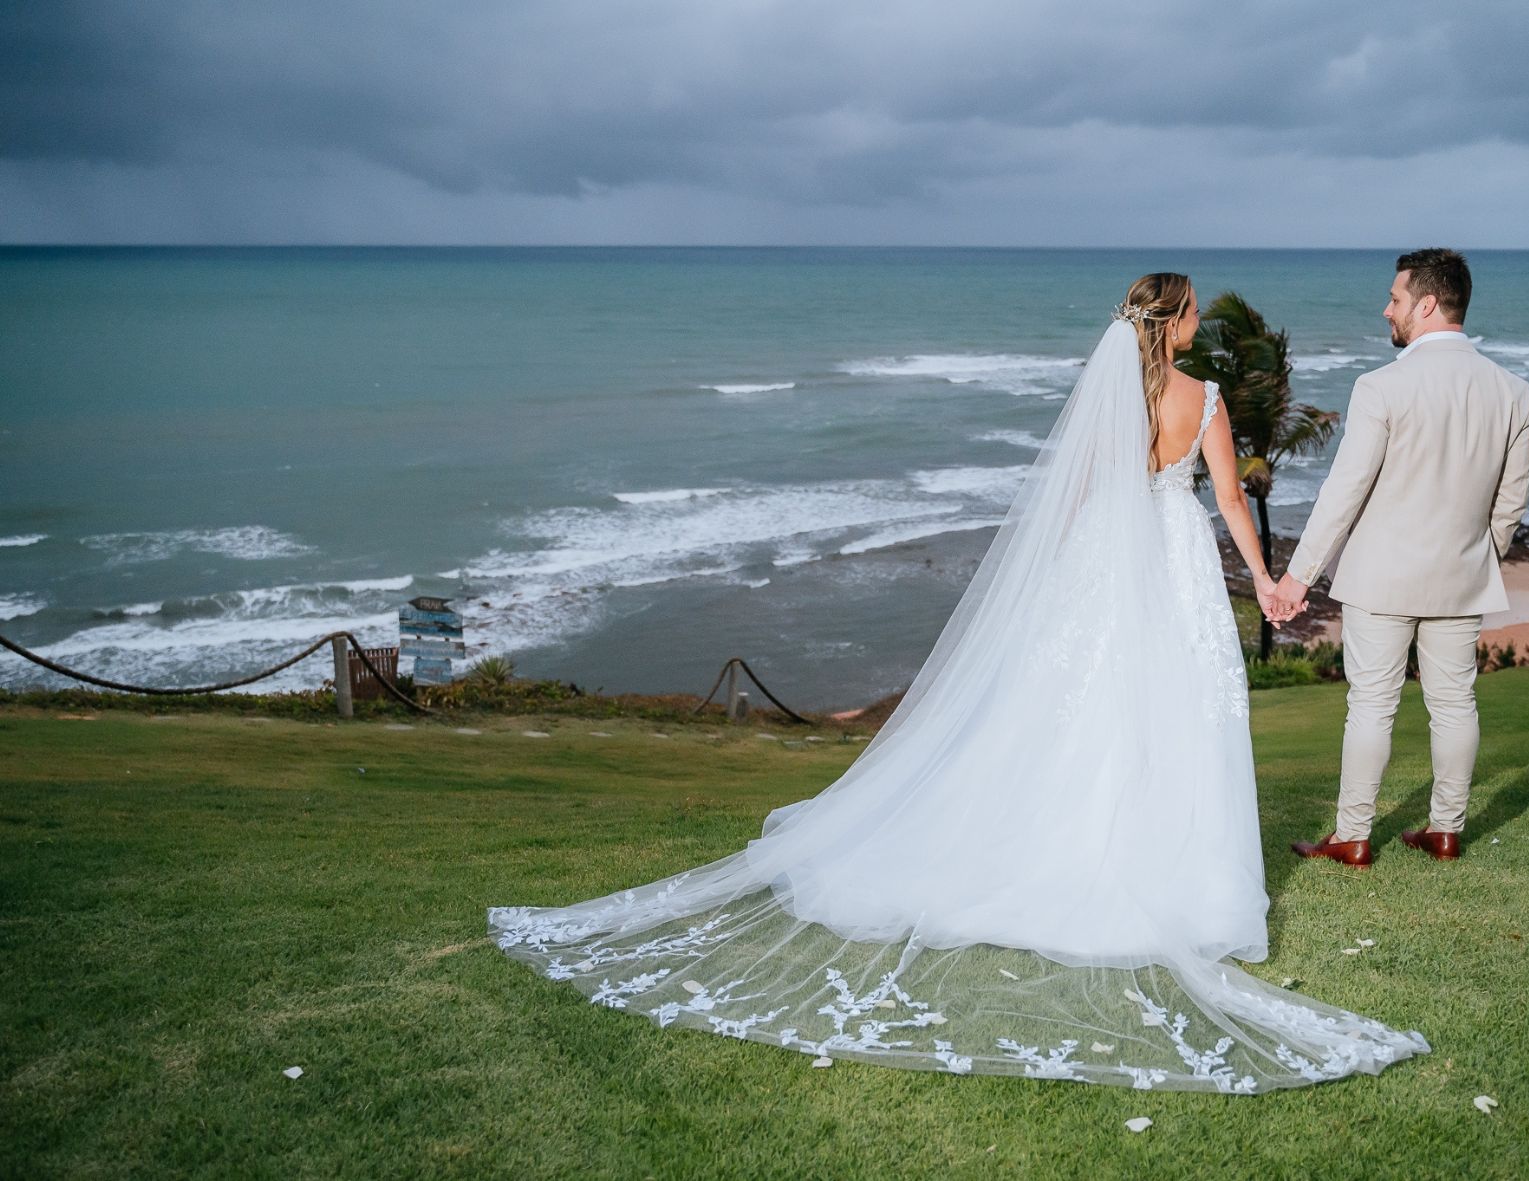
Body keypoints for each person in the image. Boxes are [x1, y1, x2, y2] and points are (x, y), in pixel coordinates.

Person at [490, 273, 1428, 1092]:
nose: (1192, 325)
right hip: (1173, 563)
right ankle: (1171, 878)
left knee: (1082, 713)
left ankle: (1078, 852)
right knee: (1176, 714)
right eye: (1188, 311)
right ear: (1176, 320)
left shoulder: (1115, 396)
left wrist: (1053, 577)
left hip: (1105, 562)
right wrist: (1266, 580)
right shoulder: (1207, 399)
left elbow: (1074, 499)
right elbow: (1227, 499)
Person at [1275, 249, 1529, 867]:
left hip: (1381, 578)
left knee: (1371, 706)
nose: (1384, 308)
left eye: (1394, 298)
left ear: (1426, 304)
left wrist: (1297, 576)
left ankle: (1353, 836)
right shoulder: (1512, 390)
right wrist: (1482, 558)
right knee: (1455, 704)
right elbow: (1512, 499)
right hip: (1462, 577)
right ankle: (1446, 831)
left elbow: (1345, 491)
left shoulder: (1380, 386)